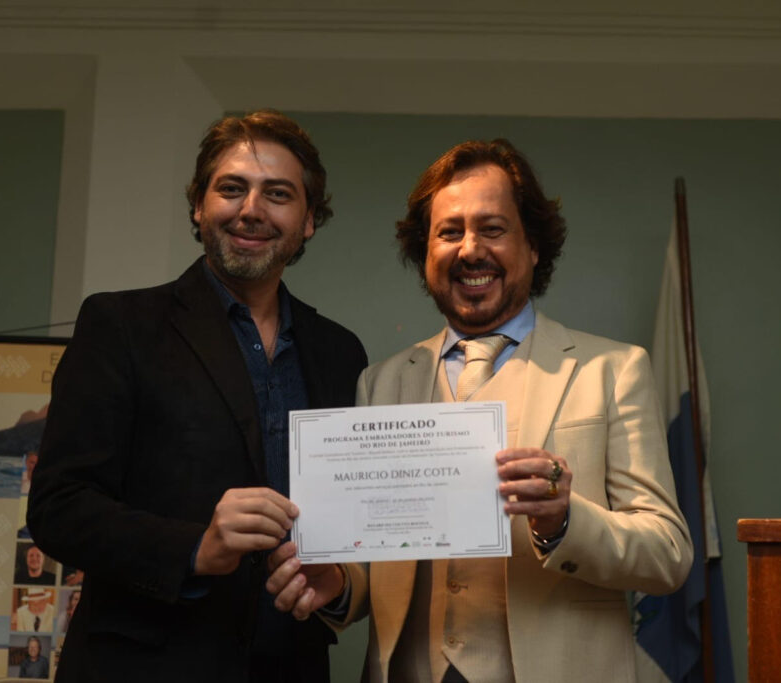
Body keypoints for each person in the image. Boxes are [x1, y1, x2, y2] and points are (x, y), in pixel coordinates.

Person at [267, 139, 693, 682]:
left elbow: (668, 553)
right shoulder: (382, 382)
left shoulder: (613, 370)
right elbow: (378, 556)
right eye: (449, 232)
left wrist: (564, 520)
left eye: (492, 229)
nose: (470, 250)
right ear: (425, 252)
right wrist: (339, 585)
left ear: (533, 246)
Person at [27, 110, 367, 683]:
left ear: (309, 219)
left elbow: (348, 519)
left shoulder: (339, 352)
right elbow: (58, 508)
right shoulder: (121, 326)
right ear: (198, 206)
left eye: (278, 194)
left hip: (291, 667)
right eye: (231, 188)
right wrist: (194, 548)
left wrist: (337, 583)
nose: (251, 209)